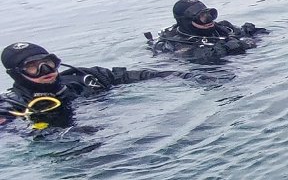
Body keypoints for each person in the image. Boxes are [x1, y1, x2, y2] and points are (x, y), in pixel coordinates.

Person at [1, 41, 185, 129]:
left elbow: (128, 76)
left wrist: (179, 75)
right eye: (32, 67)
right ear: (16, 74)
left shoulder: (84, 79)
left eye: (47, 62)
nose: (45, 70)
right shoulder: (12, 107)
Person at [146, 0, 267, 63]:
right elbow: (202, 57)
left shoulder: (223, 28)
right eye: (202, 17)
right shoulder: (178, 44)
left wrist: (249, 34)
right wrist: (229, 48)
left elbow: (262, 36)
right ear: (186, 21)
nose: (209, 20)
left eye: (210, 14)